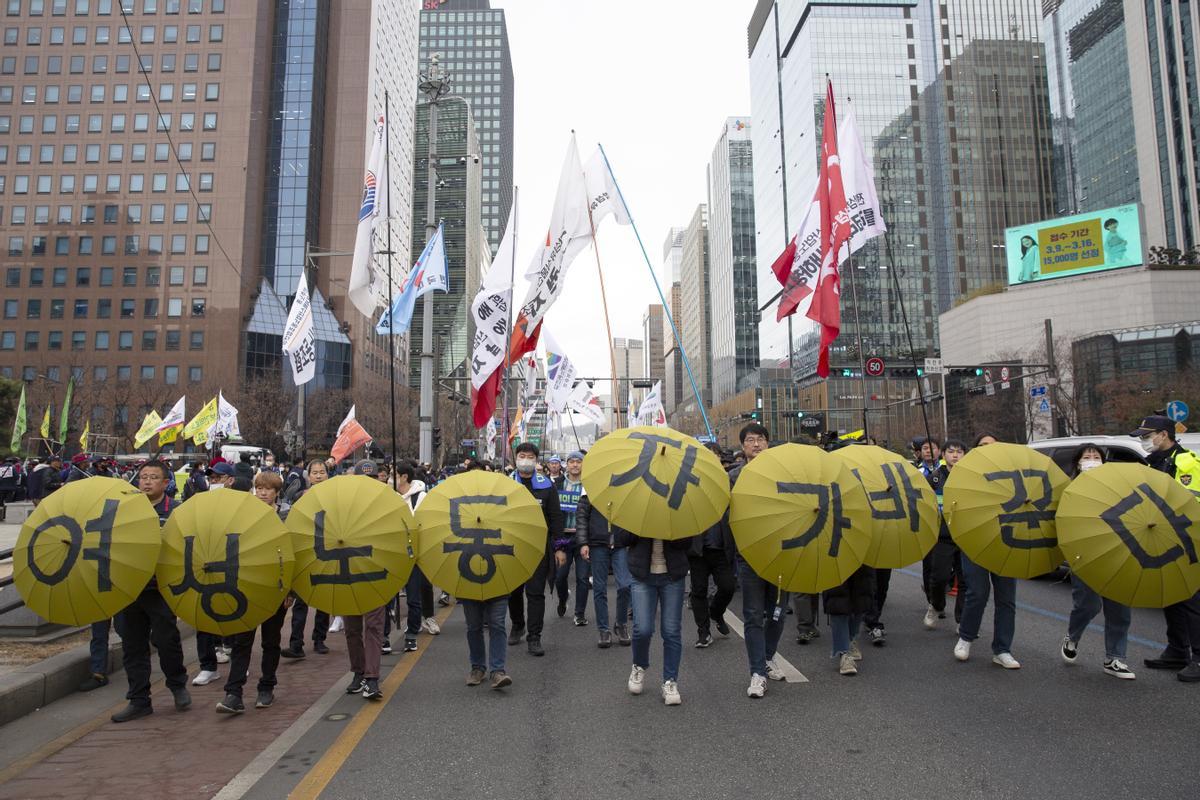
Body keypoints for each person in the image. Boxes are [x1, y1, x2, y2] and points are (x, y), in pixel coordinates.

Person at [110, 461, 191, 723]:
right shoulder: (126, 511)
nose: (146, 482)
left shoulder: (176, 512)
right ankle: (139, 699)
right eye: (143, 477)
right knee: (133, 646)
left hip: (160, 589)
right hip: (130, 587)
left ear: (165, 483)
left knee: (166, 640)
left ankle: (177, 684)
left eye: (153, 477)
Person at [216, 471, 293, 713]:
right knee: (242, 641)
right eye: (259, 488)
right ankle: (233, 693)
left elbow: (293, 555)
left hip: (275, 587)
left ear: (276, 492)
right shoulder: (242, 514)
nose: (262, 493)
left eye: (268, 489)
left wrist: (291, 591)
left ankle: (266, 687)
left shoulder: (286, 516)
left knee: (271, 640)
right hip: (246, 586)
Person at [1131, 414, 1200, 681]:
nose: (1144, 441)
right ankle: (1177, 650)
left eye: (1147, 436)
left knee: (1192, 599)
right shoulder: (1152, 463)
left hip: (1187, 539)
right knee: (1171, 596)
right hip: (1164, 538)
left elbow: (1190, 502)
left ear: (1163, 434)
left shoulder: (1184, 462)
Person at [724, 423, 790, 697]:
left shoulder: (785, 473)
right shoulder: (734, 477)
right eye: (750, 440)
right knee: (753, 615)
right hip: (749, 554)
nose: (756, 444)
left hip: (782, 553)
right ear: (743, 447)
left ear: (768, 443)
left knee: (777, 612)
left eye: (761, 439)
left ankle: (767, 655)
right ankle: (757, 673)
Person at [1059, 444, 1135, 680]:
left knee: (1120, 609)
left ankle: (1115, 658)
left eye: (1096, 457)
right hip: (1085, 555)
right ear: (1078, 463)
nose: (1092, 460)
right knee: (1088, 605)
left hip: (1117, 554)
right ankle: (1073, 636)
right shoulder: (1069, 489)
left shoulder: (1117, 486)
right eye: (1087, 457)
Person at [953, 435, 1022, 670]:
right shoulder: (966, 473)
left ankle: (1002, 649)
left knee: (1006, 598)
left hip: (1007, 542)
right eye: (982, 446)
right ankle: (966, 637)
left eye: (991, 445)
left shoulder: (1014, 474)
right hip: (975, 541)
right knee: (977, 593)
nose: (987, 449)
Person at [508, 443, 565, 657]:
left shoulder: (546, 485)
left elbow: (556, 518)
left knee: (535, 593)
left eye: (530, 456)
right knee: (513, 591)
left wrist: (560, 547)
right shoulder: (505, 484)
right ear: (516, 458)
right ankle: (517, 624)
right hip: (510, 548)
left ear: (536, 460)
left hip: (538, 547)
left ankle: (534, 637)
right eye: (522, 456)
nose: (525, 460)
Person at [626, 529, 692, 706]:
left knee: (671, 631)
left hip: (672, 576)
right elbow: (623, 538)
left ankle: (670, 681)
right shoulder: (636, 504)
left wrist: (669, 530)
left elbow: (687, 543)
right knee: (643, 629)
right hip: (642, 576)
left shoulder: (678, 503)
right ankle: (639, 665)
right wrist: (642, 527)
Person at [342, 459, 388, 700]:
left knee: (373, 626)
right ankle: (358, 672)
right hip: (347, 573)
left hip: (376, 575)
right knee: (351, 628)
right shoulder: (344, 505)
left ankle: (372, 677)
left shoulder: (388, 505)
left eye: (372, 479)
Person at [281, 459, 332, 659]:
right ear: (308, 476)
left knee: (324, 598)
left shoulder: (334, 496)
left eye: (322, 472)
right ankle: (296, 643)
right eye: (315, 472)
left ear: (328, 474)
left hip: (328, 552)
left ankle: (319, 639)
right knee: (301, 600)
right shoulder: (300, 497)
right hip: (306, 551)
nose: (318, 475)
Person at [576, 484, 633, 648]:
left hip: (621, 544)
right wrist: (583, 543)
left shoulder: (625, 486)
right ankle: (603, 629)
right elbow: (582, 517)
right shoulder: (591, 486)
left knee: (625, 585)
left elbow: (632, 515)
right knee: (599, 588)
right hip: (597, 543)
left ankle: (621, 624)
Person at [922, 439, 967, 628]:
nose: (955, 455)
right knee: (939, 577)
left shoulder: (970, 477)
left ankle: (962, 620)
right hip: (942, 536)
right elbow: (923, 502)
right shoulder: (934, 477)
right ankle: (936, 605)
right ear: (943, 454)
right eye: (951, 451)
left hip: (966, 535)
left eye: (959, 451)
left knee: (965, 580)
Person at [553, 451, 589, 625]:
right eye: (571, 461)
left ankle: (579, 614)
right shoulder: (557, 484)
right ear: (566, 464)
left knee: (583, 577)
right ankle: (563, 597)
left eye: (578, 462)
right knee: (560, 576)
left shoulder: (589, 484)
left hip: (582, 537)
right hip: (563, 537)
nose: (575, 465)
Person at [824, 564, 876, 676]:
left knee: (860, 601)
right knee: (837, 602)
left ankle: (851, 639)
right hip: (834, 557)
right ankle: (844, 652)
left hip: (863, 558)